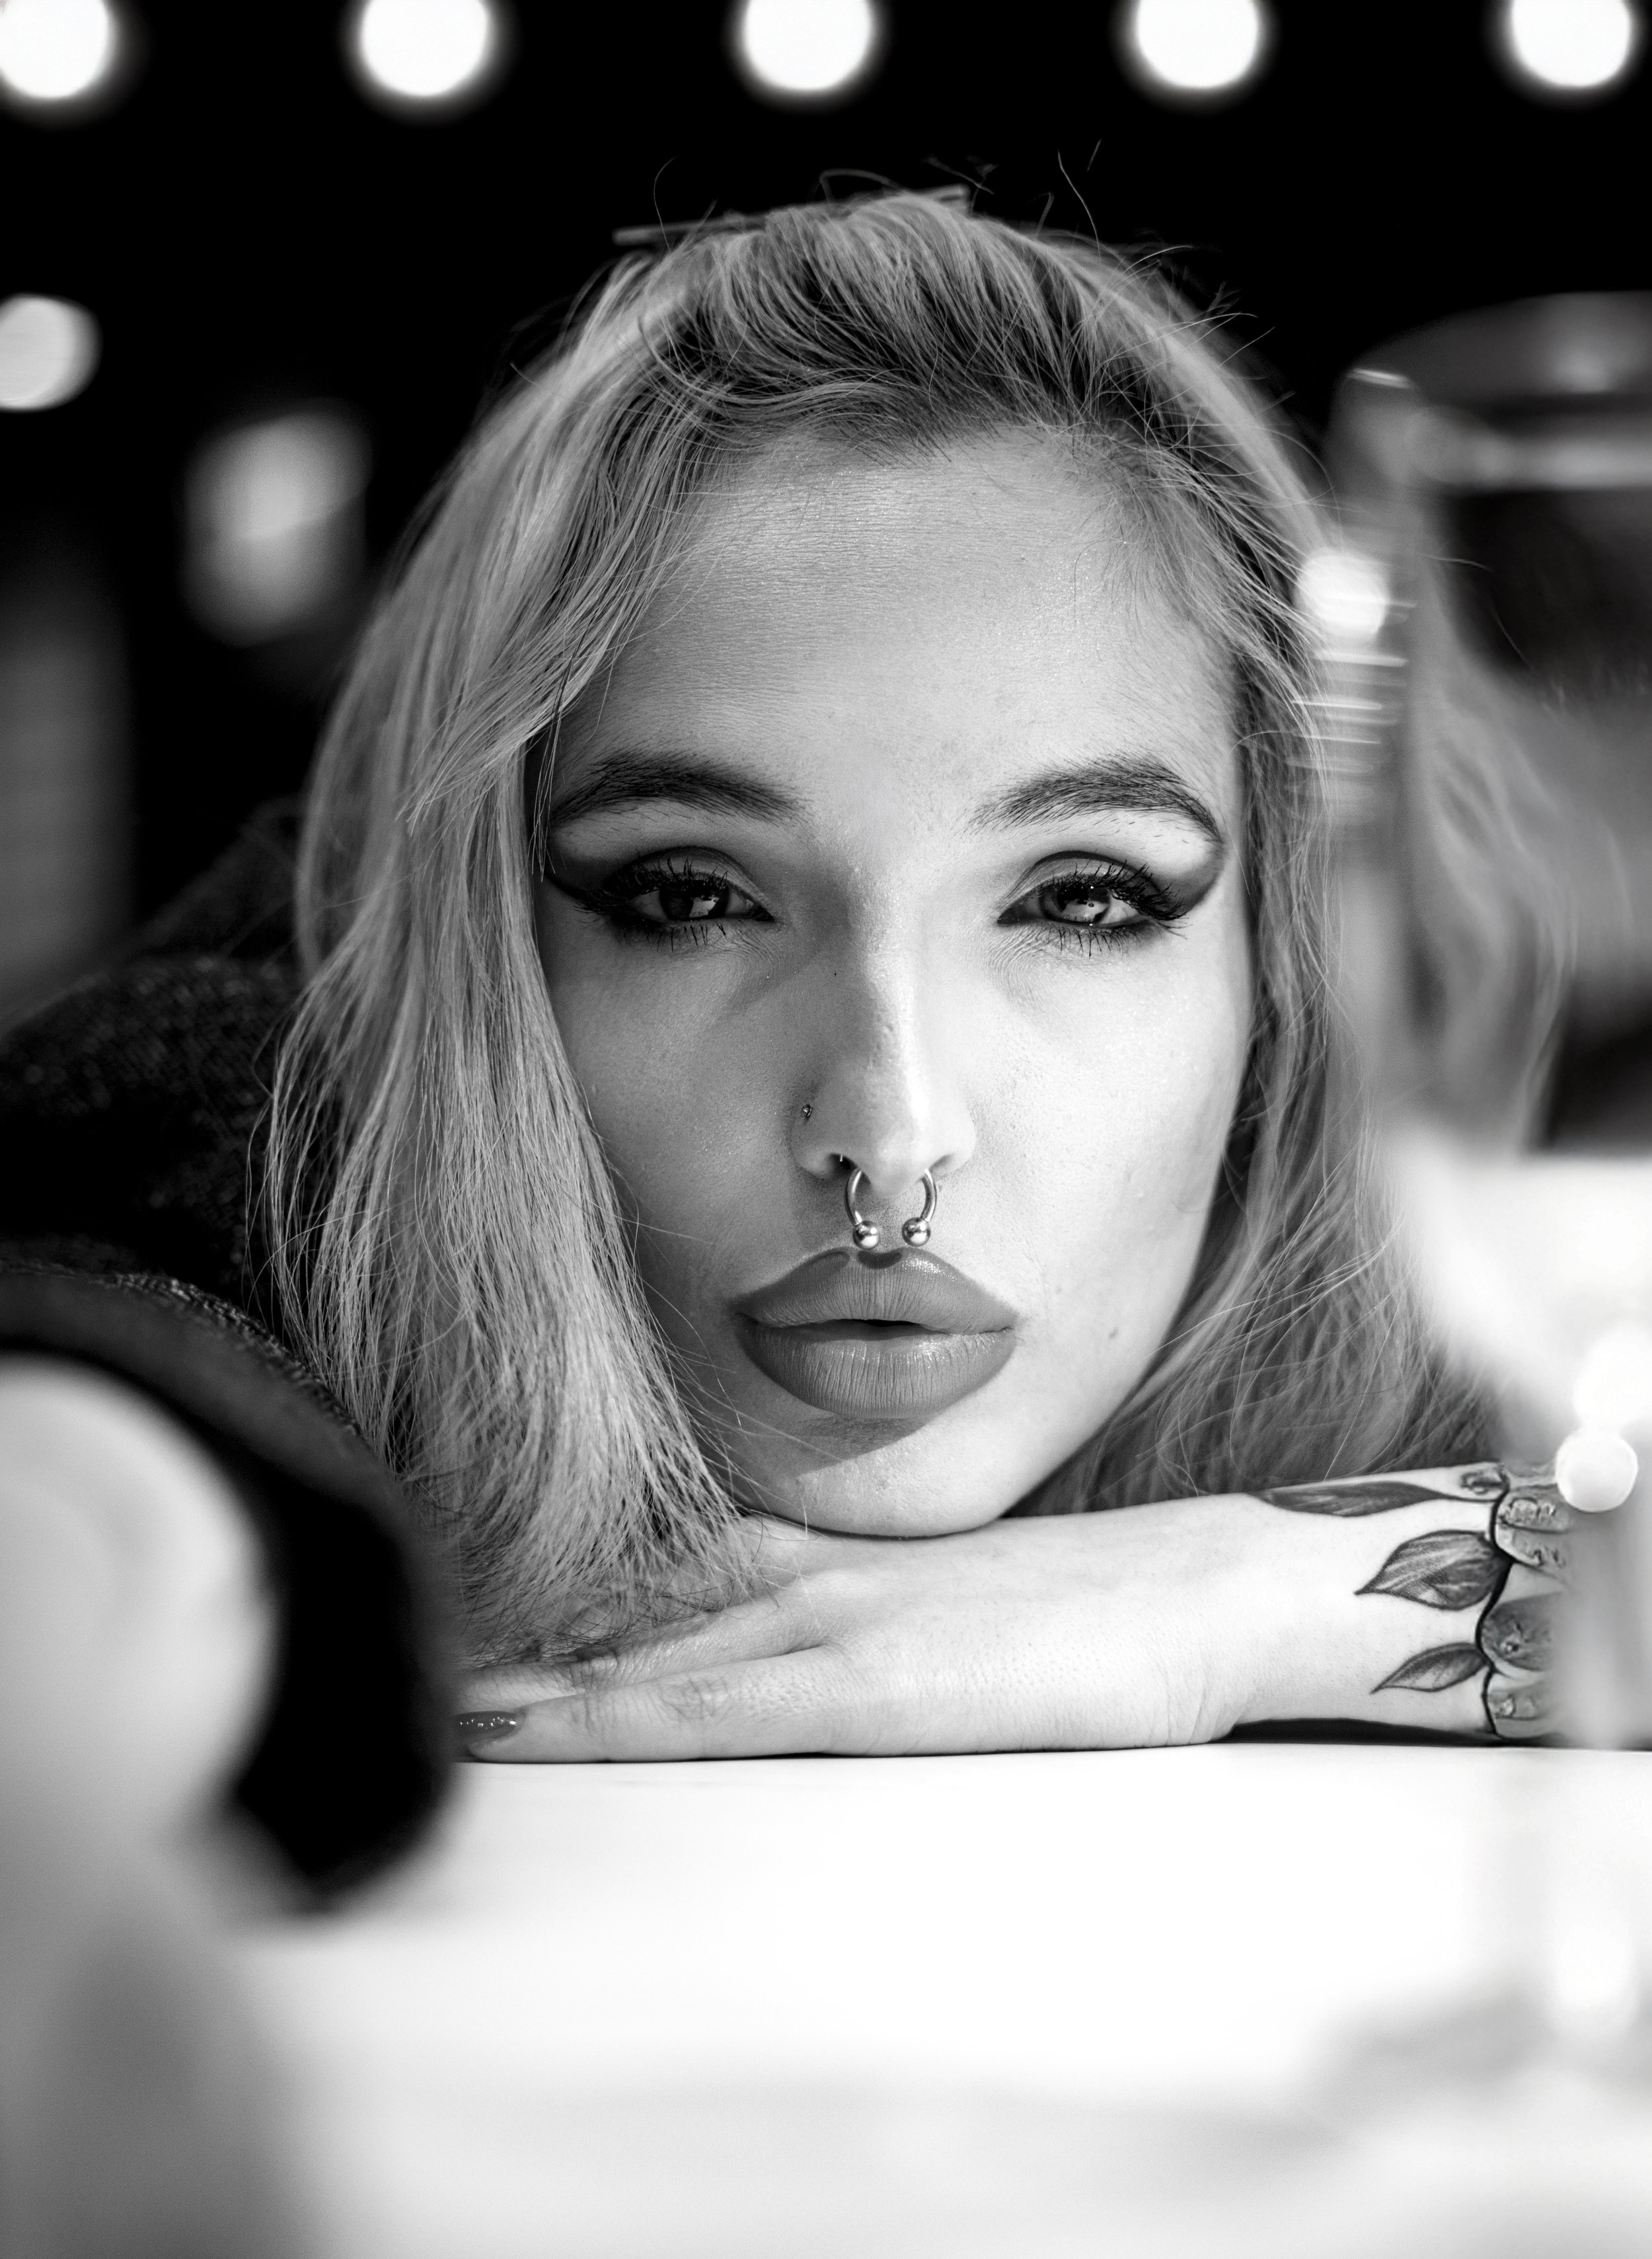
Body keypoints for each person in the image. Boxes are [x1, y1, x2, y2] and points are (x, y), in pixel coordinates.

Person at [1, 193, 1565, 1877]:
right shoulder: (266, 1110)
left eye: (1082, 900)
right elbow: (101, 1420)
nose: (889, 1134)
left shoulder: (1498, 1186)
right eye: (689, 896)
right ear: (486, 942)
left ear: (1291, 954)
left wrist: (1240, 1593)